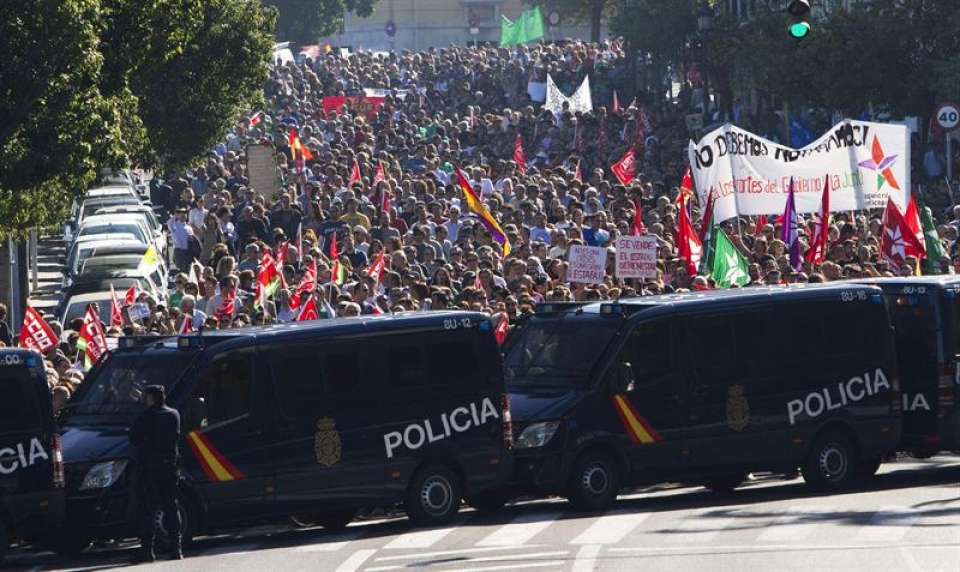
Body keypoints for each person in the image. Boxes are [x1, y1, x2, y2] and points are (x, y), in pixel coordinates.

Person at [129, 385, 183, 562]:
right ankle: (176, 549)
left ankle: (147, 550)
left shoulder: (145, 417)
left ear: (150, 398)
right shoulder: (174, 414)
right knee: (171, 506)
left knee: (147, 509)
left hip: (150, 468)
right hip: (170, 466)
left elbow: (134, 439)